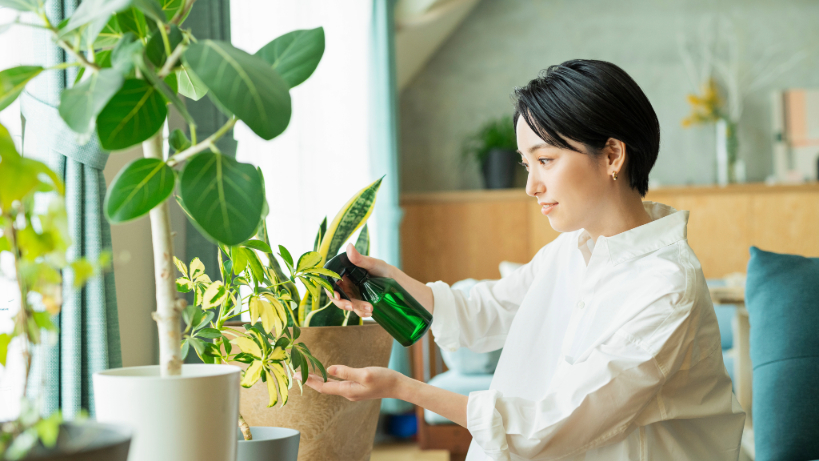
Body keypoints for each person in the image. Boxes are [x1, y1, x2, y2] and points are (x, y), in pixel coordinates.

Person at [305, 59, 745, 460]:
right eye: (526, 164)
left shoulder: (666, 286)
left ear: (612, 155)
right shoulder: (572, 250)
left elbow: (556, 422)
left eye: (546, 160)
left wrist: (403, 387)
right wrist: (393, 282)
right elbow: (485, 311)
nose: (531, 186)